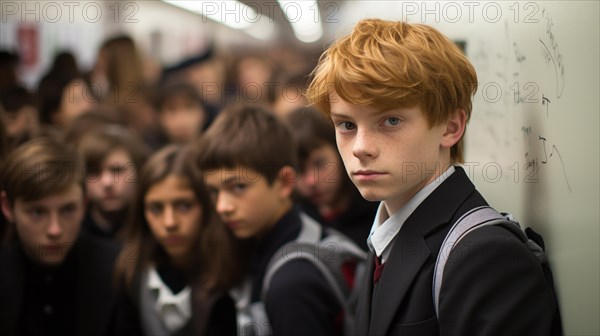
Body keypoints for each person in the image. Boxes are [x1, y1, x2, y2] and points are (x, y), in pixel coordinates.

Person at [306, 19, 561, 335]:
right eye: (346, 125)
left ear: (451, 127)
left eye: (391, 121)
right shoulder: (387, 229)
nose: (361, 148)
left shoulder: (484, 256)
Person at [194, 104, 346, 336]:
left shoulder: (292, 284)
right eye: (214, 191)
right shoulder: (274, 239)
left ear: (284, 182)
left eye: (238, 187)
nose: (222, 207)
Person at [113, 145, 241, 336]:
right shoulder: (132, 272)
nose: (170, 222)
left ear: (207, 206)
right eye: (156, 208)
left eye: (184, 206)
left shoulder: (231, 273)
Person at [0, 137, 120, 336]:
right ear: (8, 208)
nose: (54, 230)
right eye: (37, 212)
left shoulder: (119, 269)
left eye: (67, 210)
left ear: (84, 204)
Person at [285, 107, 377, 251]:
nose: (311, 181)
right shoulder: (295, 223)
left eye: (319, 164)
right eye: (299, 170)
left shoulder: (378, 210)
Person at [77, 125, 150, 240]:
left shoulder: (154, 228)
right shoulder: (73, 234)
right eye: (94, 173)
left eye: (117, 170)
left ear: (139, 171)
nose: (107, 182)